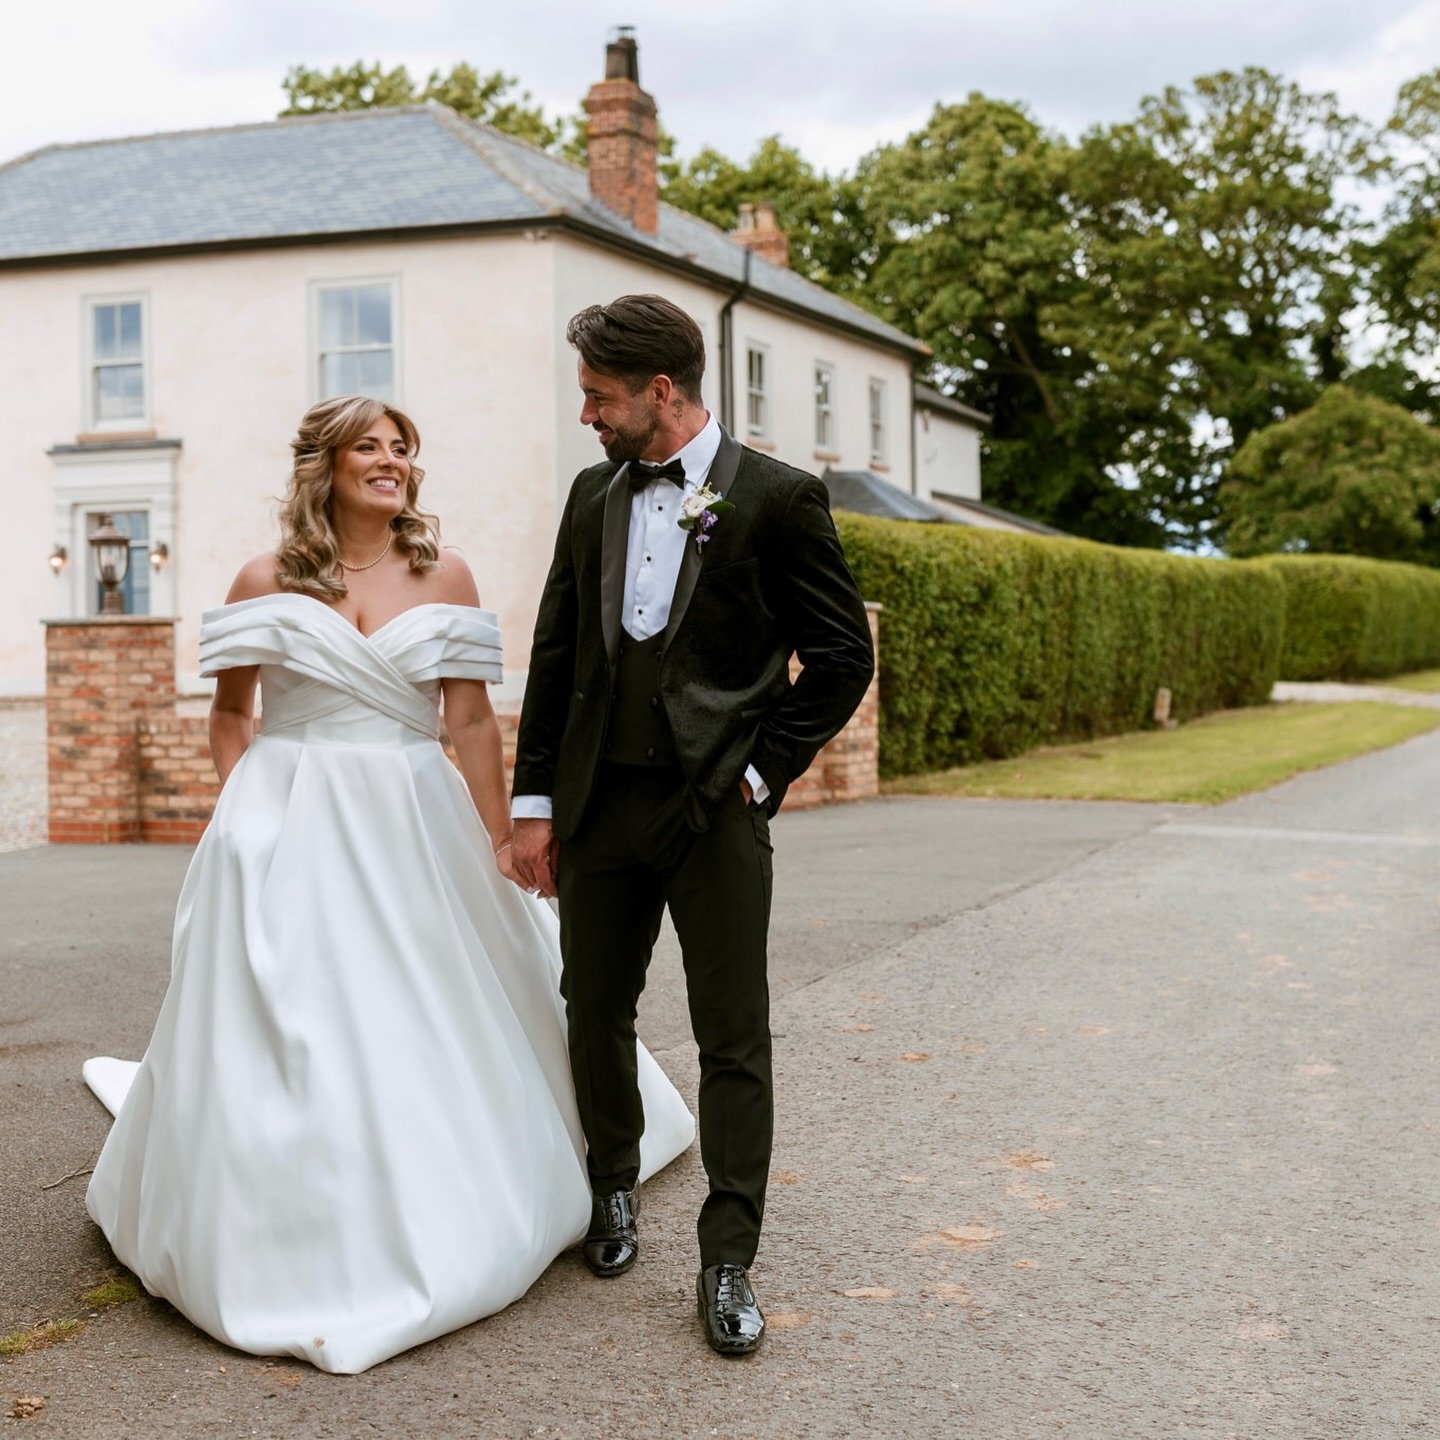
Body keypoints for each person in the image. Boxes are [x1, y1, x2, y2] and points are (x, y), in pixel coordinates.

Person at [82, 395, 694, 1375]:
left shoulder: (443, 573)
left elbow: (470, 723)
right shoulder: (264, 577)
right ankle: (289, 1206)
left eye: (402, 447)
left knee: (427, 999)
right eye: (369, 446)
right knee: (292, 1004)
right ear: (324, 465)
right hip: (286, 817)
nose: (391, 460)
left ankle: (450, 1183)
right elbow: (232, 714)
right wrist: (247, 810)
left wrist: (503, 835)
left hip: (413, 815)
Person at [509, 294, 875, 1356]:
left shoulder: (777, 498)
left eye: (598, 396)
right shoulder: (591, 496)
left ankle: (728, 1255)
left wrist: (763, 774)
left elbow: (842, 657)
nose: (587, 415)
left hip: (717, 809)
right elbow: (559, 656)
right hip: (600, 807)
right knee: (592, 1008)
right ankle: (612, 1188)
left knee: (732, 1036)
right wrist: (536, 804)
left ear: (659, 392)